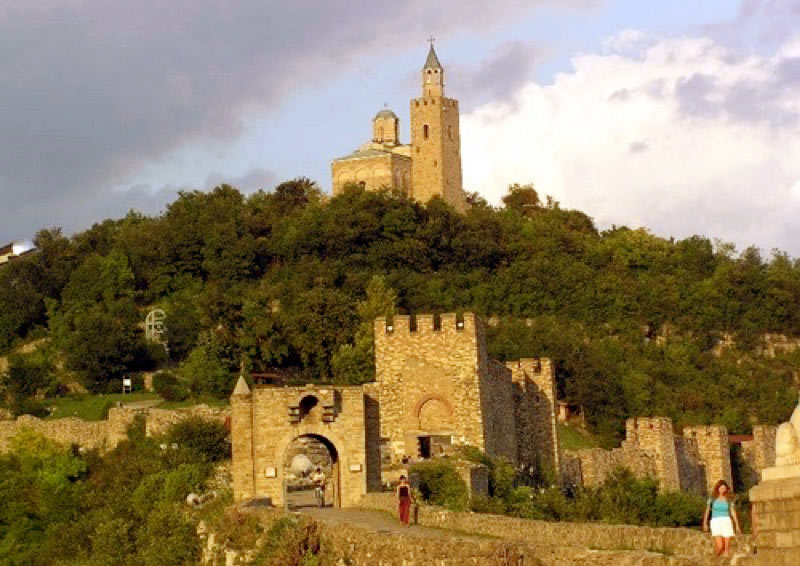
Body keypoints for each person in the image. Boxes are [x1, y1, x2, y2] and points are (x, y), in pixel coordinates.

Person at [702, 479, 741, 557]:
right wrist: (705, 523)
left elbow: (733, 512)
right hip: (716, 521)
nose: (722, 490)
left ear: (726, 489)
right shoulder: (712, 498)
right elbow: (707, 511)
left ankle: (724, 560)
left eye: (724, 488)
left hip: (726, 521)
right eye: (721, 488)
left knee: (726, 549)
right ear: (717, 488)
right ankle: (715, 559)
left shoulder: (729, 499)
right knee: (720, 546)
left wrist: (737, 525)